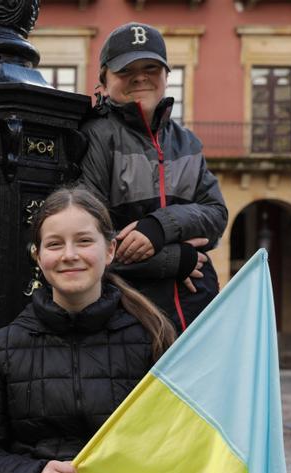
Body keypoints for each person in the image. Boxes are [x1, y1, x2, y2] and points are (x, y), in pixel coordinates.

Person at [0, 187, 177, 473]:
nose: (69, 255)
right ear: (38, 255)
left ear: (110, 249)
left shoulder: (152, 337)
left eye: (84, 241)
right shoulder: (5, 346)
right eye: (55, 244)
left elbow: (177, 439)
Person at [78, 21, 228, 332]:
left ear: (166, 77)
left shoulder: (187, 142)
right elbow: (85, 241)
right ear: (103, 82)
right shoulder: (92, 138)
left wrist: (158, 227)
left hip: (197, 316)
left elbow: (216, 215)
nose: (140, 77)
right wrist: (173, 259)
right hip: (129, 319)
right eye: (125, 70)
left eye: (151, 67)